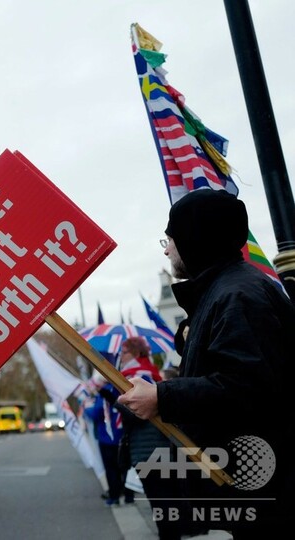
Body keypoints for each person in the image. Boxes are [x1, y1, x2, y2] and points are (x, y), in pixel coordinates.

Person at [117, 188, 295, 536]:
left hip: (269, 488)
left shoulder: (238, 296)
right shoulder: (230, 291)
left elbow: (246, 387)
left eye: (170, 240)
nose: (166, 250)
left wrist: (161, 397)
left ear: (194, 239)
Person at [114, 337, 184, 539]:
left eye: (124, 353)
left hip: (149, 450)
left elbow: (138, 414)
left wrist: (118, 402)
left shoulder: (137, 377)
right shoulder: (149, 373)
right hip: (159, 448)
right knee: (166, 503)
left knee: (162, 504)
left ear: (136, 354)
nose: (121, 357)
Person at [83, 374, 128, 507]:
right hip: (121, 435)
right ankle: (128, 495)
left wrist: (86, 407)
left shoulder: (105, 392)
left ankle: (114, 497)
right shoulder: (120, 389)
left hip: (108, 437)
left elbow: (96, 413)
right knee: (123, 467)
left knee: (111, 469)